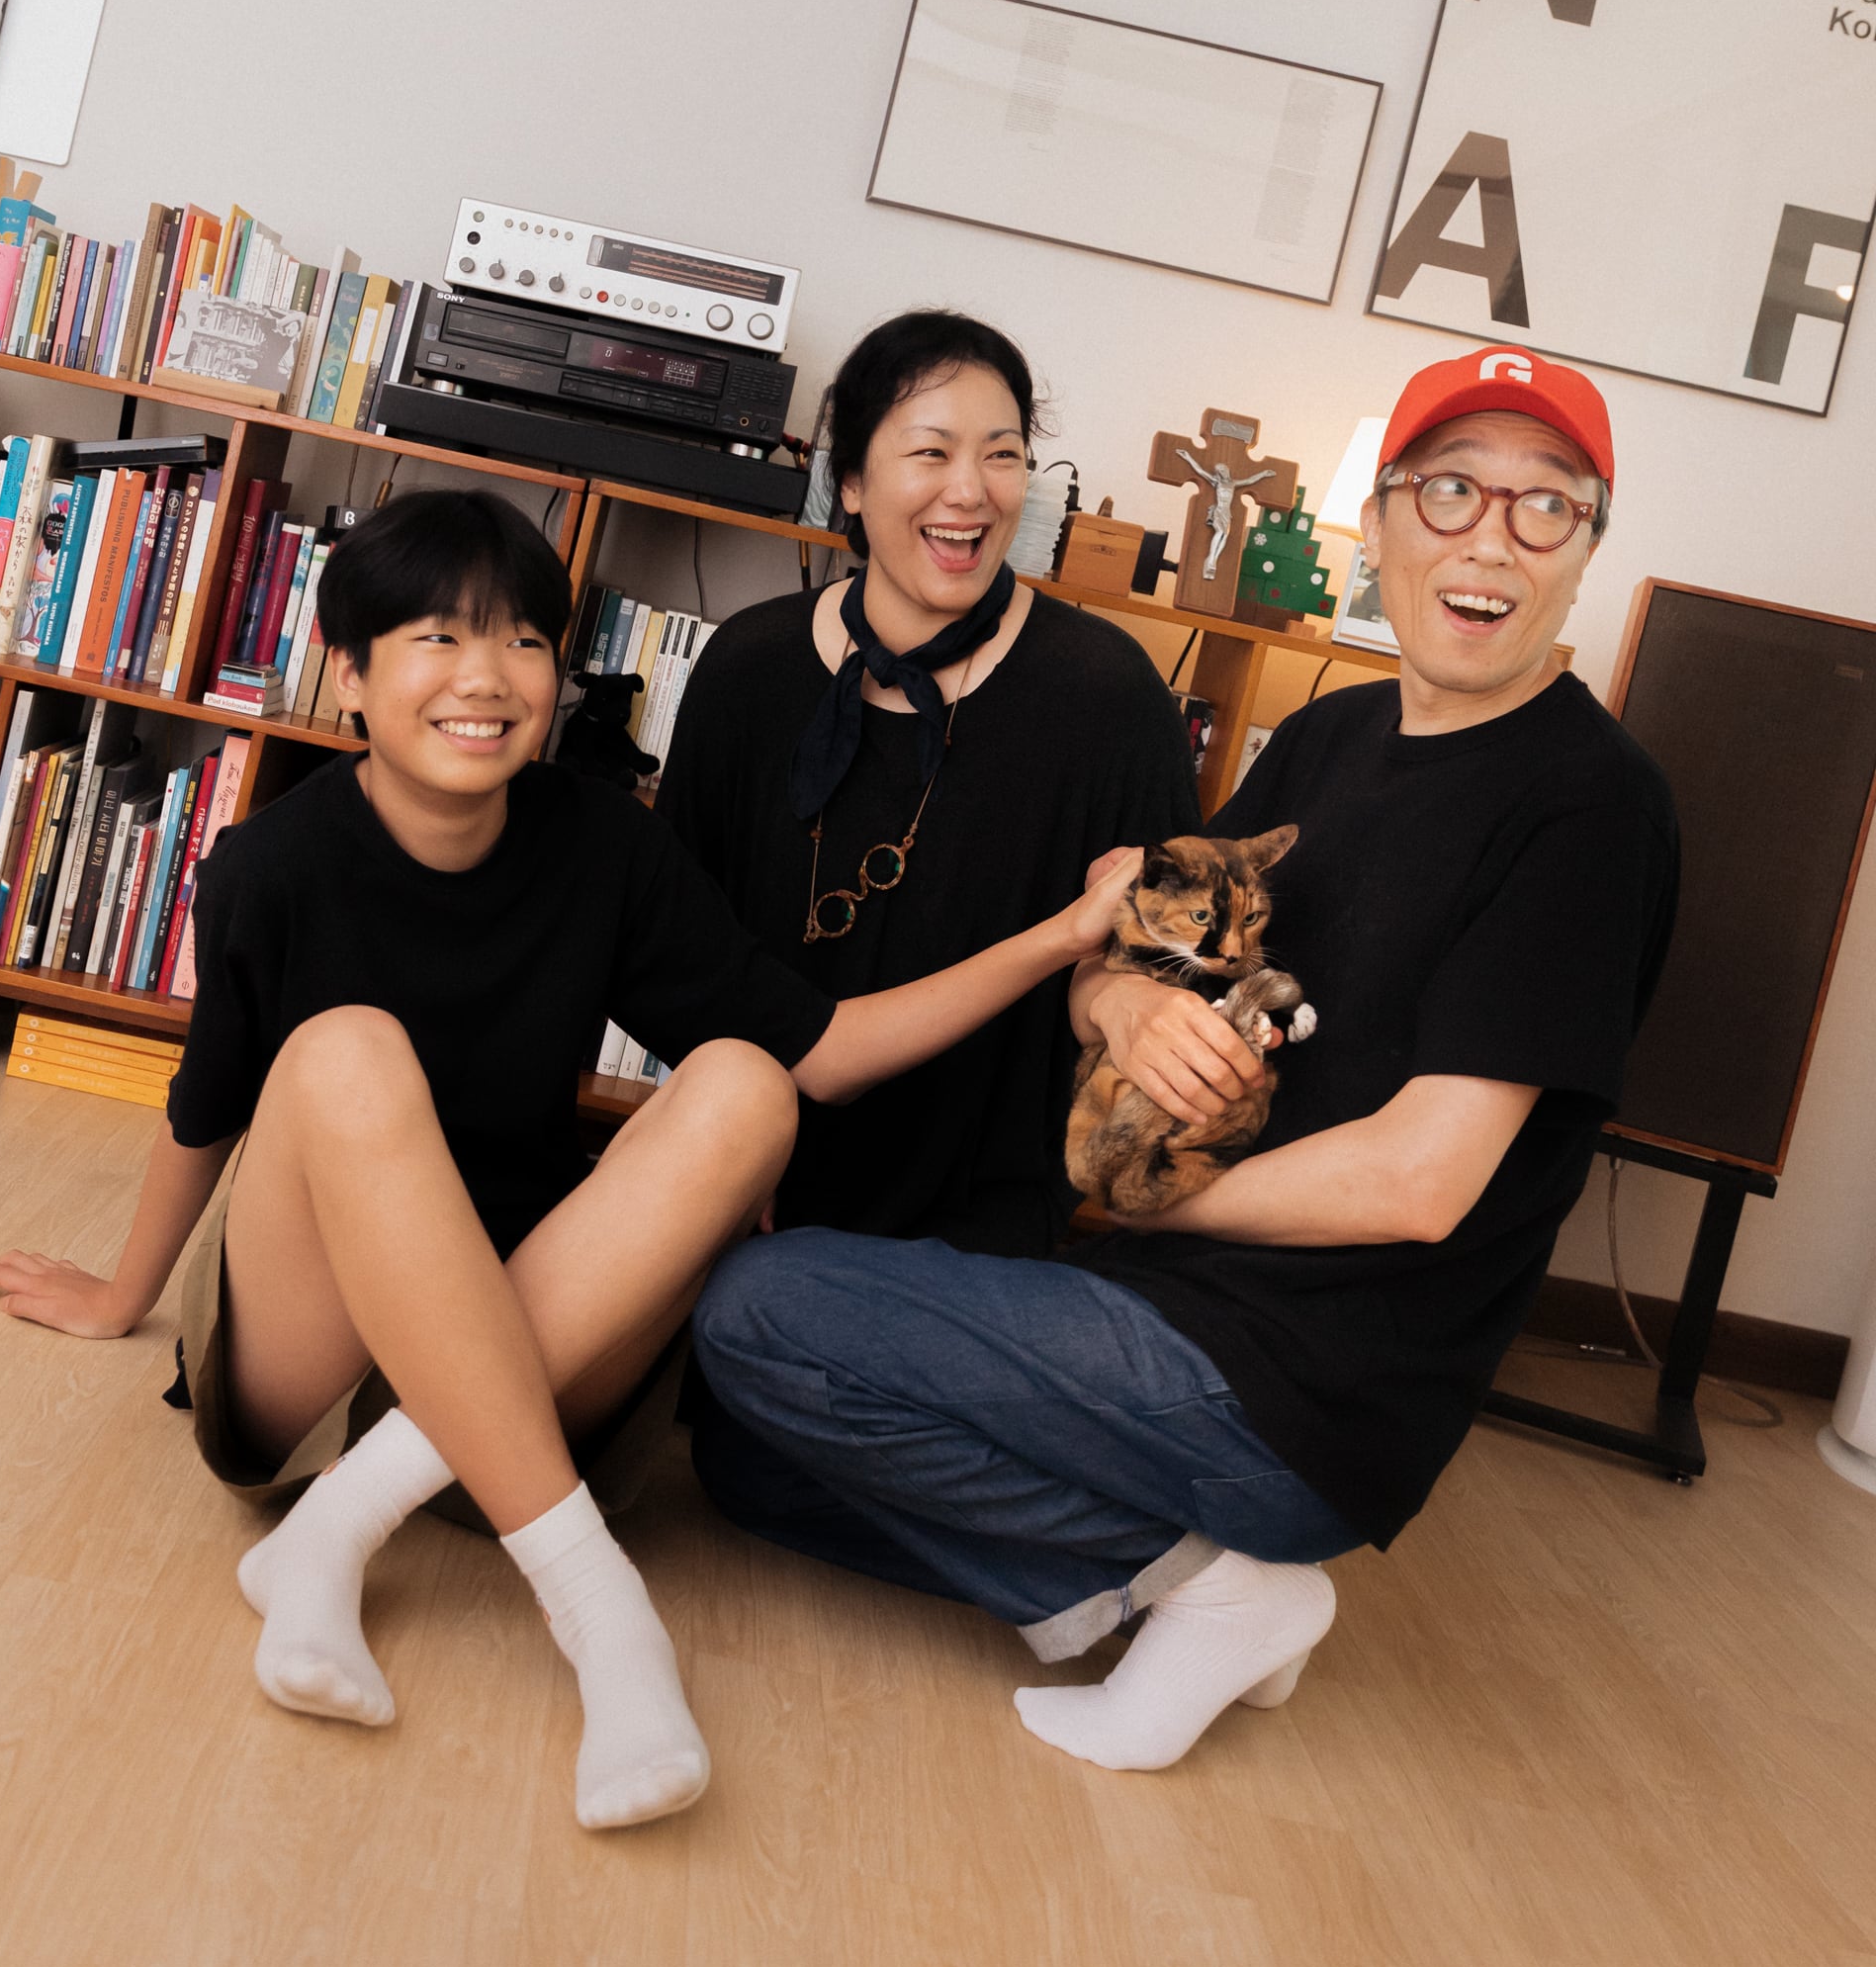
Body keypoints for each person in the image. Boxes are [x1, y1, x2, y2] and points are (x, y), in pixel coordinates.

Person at [0, 491, 1143, 1830]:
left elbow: (819, 1053)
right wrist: (125, 1295)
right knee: (347, 1053)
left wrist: (1062, 940)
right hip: (313, 1355)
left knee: (746, 1083)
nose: (486, 676)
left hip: (532, 1351)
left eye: (522, 640)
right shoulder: (270, 866)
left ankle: (337, 1530)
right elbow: (207, 1106)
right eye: (436, 638)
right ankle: (598, 1609)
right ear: (348, 676)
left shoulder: (604, 843)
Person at [690, 344, 1680, 1776]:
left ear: (1584, 551)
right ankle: (1190, 1588)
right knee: (751, 1465)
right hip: (1165, 1295)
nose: (1487, 542)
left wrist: (1136, 1197)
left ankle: (1216, 1586)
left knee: (758, 1314)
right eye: (1450, 491)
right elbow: (1129, 955)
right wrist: (1115, 1007)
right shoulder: (1330, 735)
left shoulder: (1590, 809)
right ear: (1380, 522)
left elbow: (1419, 1184)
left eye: (1543, 507)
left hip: (1300, 1381)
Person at [656, 308, 1219, 1261]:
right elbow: (679, 947)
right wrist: (730, 1133)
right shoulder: (749, 665)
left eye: (1002, 456)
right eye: (931, 451)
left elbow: (1160, 964)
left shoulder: (1110, 694)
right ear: (850, 481)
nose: (970, 491)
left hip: (983, 1221)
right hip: (747, 1165)